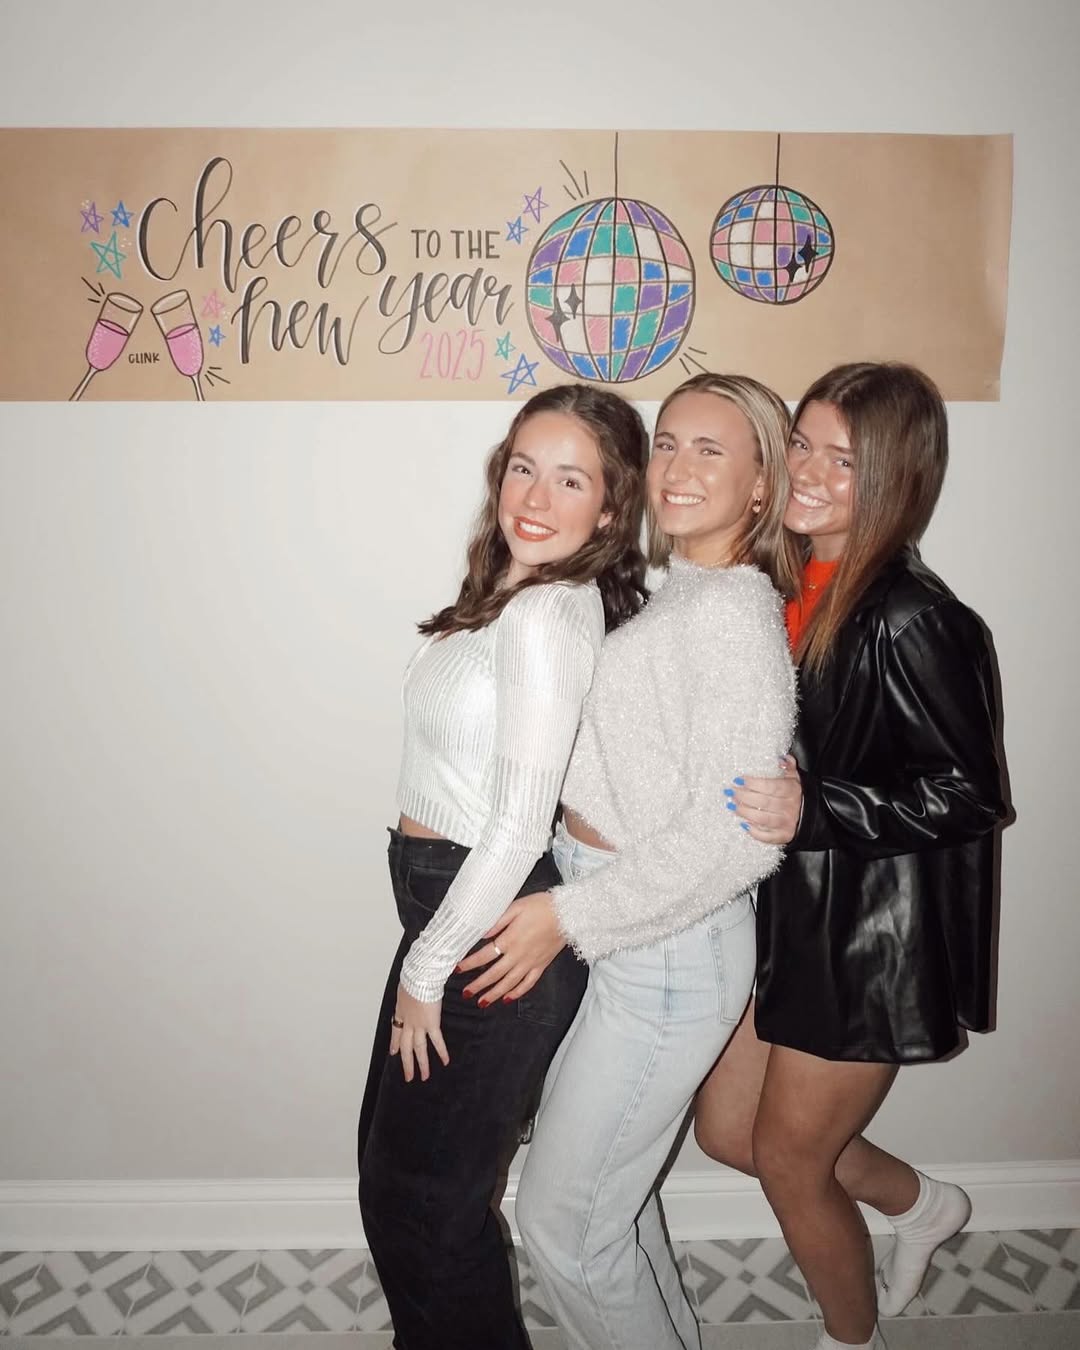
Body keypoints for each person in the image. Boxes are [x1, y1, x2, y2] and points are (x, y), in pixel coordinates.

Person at [458, 372, 799, 1350]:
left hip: (665, 955)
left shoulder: (729, 613)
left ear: (761, 484)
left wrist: (566, 916)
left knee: (564, 1227)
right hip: (634, 937)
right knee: (609, 1208)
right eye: (669, 444)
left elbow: (732, 841)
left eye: (711, 449)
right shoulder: (677, 593)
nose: (678, 468)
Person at [693, 362, 1008, 1350]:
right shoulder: (785, 580)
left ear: (897, 479)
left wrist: (817, 806)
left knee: (792, 1164)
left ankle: (850, 1336)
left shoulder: (918, 618)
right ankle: (924, 1204)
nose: (812, 473)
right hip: (791, 913)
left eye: (847, 460)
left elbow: (971, 793)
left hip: (871, 939)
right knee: (727, 1132)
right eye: (805, 445)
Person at [356, 383, 650, 1350]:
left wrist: (426, 970)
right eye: (524, 467)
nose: (535, 496)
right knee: (404, 1193)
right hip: (452, 910)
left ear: (609, 509)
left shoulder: (547, 616)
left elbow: (521, 825)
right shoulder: (512, 596)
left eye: (571, 480)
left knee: (425, 1211)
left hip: (478, 931)